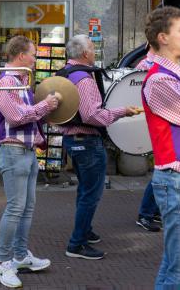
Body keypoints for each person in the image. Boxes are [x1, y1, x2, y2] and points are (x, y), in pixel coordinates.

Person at [59, 35, 140, 260]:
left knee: (84, 190)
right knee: (91, 195)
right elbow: (92, 115)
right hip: (87, 142)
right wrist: (122, 111)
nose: (94, 52)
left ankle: (84, 231)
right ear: (85, 54)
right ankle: (76, 244)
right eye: (93, 48)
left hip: (72, 140)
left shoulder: (64, 73)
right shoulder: (84, 79)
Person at [0, 36, 59, 288]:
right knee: (16, 208)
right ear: (20, 56)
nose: (35, 58)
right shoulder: (7, 82)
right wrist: (45, 105)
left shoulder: (19, 82)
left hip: (25, 151)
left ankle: (18, 256)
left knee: (25, 207)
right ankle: (2, 261)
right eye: (32, 54)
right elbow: (16, 117)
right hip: (13, 151)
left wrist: (43, 115)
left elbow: (24, 117)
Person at [141, 6, 180, 286]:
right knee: (179, 265)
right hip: (175, 179)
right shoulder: (157, 78)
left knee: (177, 263)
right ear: (163, 38)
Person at [134, 48, 162, 233]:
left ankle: (154, 210)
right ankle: (145, 214)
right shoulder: (147, 65)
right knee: (163, 170)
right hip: (161, 124)